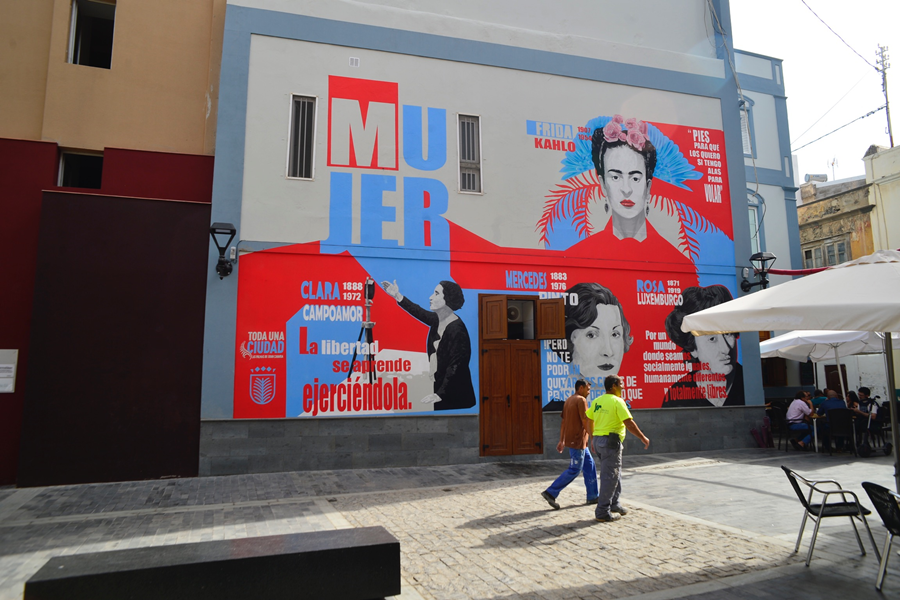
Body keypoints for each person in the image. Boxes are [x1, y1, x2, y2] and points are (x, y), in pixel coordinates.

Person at [381, 279, 476, 410]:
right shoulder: (437, 320)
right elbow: (418, 311)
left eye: (436, 293)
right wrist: (397, 295)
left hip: (455, 395)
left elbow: (456, 365)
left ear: (447, 299)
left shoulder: (457, 330)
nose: (430, 297)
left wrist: (440, 394)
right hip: (439, 389)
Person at [661, 285, 744, 407]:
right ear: (693, 348)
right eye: (712, 339)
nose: (726, 348)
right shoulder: (677, 397)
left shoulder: (748, 382)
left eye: (728, 334)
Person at [586, 374, 650, 522]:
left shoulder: (597, 401)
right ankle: (602, 511)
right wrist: (642, 437)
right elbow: (629, 423)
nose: (623, 386)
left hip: (599, 441)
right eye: (621, 383)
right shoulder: (617, 401)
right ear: (613, 385)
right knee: (610, 477)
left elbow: (589, 418)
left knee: (615, 473)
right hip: (610, 443)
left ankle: (614, 503)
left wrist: (592, 437)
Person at [541, 380, 599, 509]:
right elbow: (585, 421)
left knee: (590, 466)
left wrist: (562, 440)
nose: (589, 392)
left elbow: (563, 422)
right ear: (581, 388)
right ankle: (550, 492)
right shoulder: (581, 400)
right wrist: (593, 438)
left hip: (579, 442)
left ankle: (593, 495)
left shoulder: (568, 400)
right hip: (578, 441)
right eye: (588, 389)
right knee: (575, 469)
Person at [561, 282, 632, 384]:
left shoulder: (618, 400)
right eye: (592, 335)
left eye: (615, 334)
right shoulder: (563, 400)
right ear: (570, 340)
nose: (608, 352)